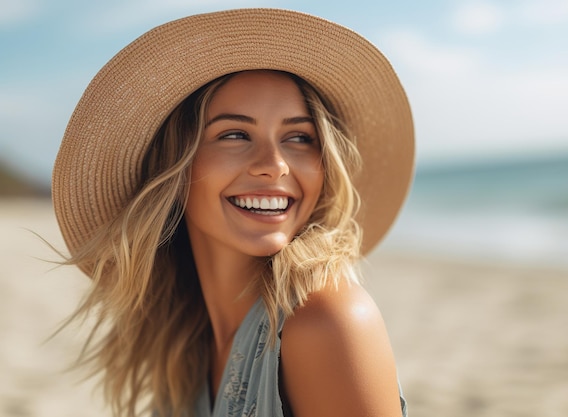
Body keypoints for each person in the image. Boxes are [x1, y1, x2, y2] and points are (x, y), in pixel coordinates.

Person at [52, 8, 415, 417]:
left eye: (299, 137)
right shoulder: (184, 343)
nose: (274, 164)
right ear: (175, 164)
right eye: (235, 134)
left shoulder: (329, 321)